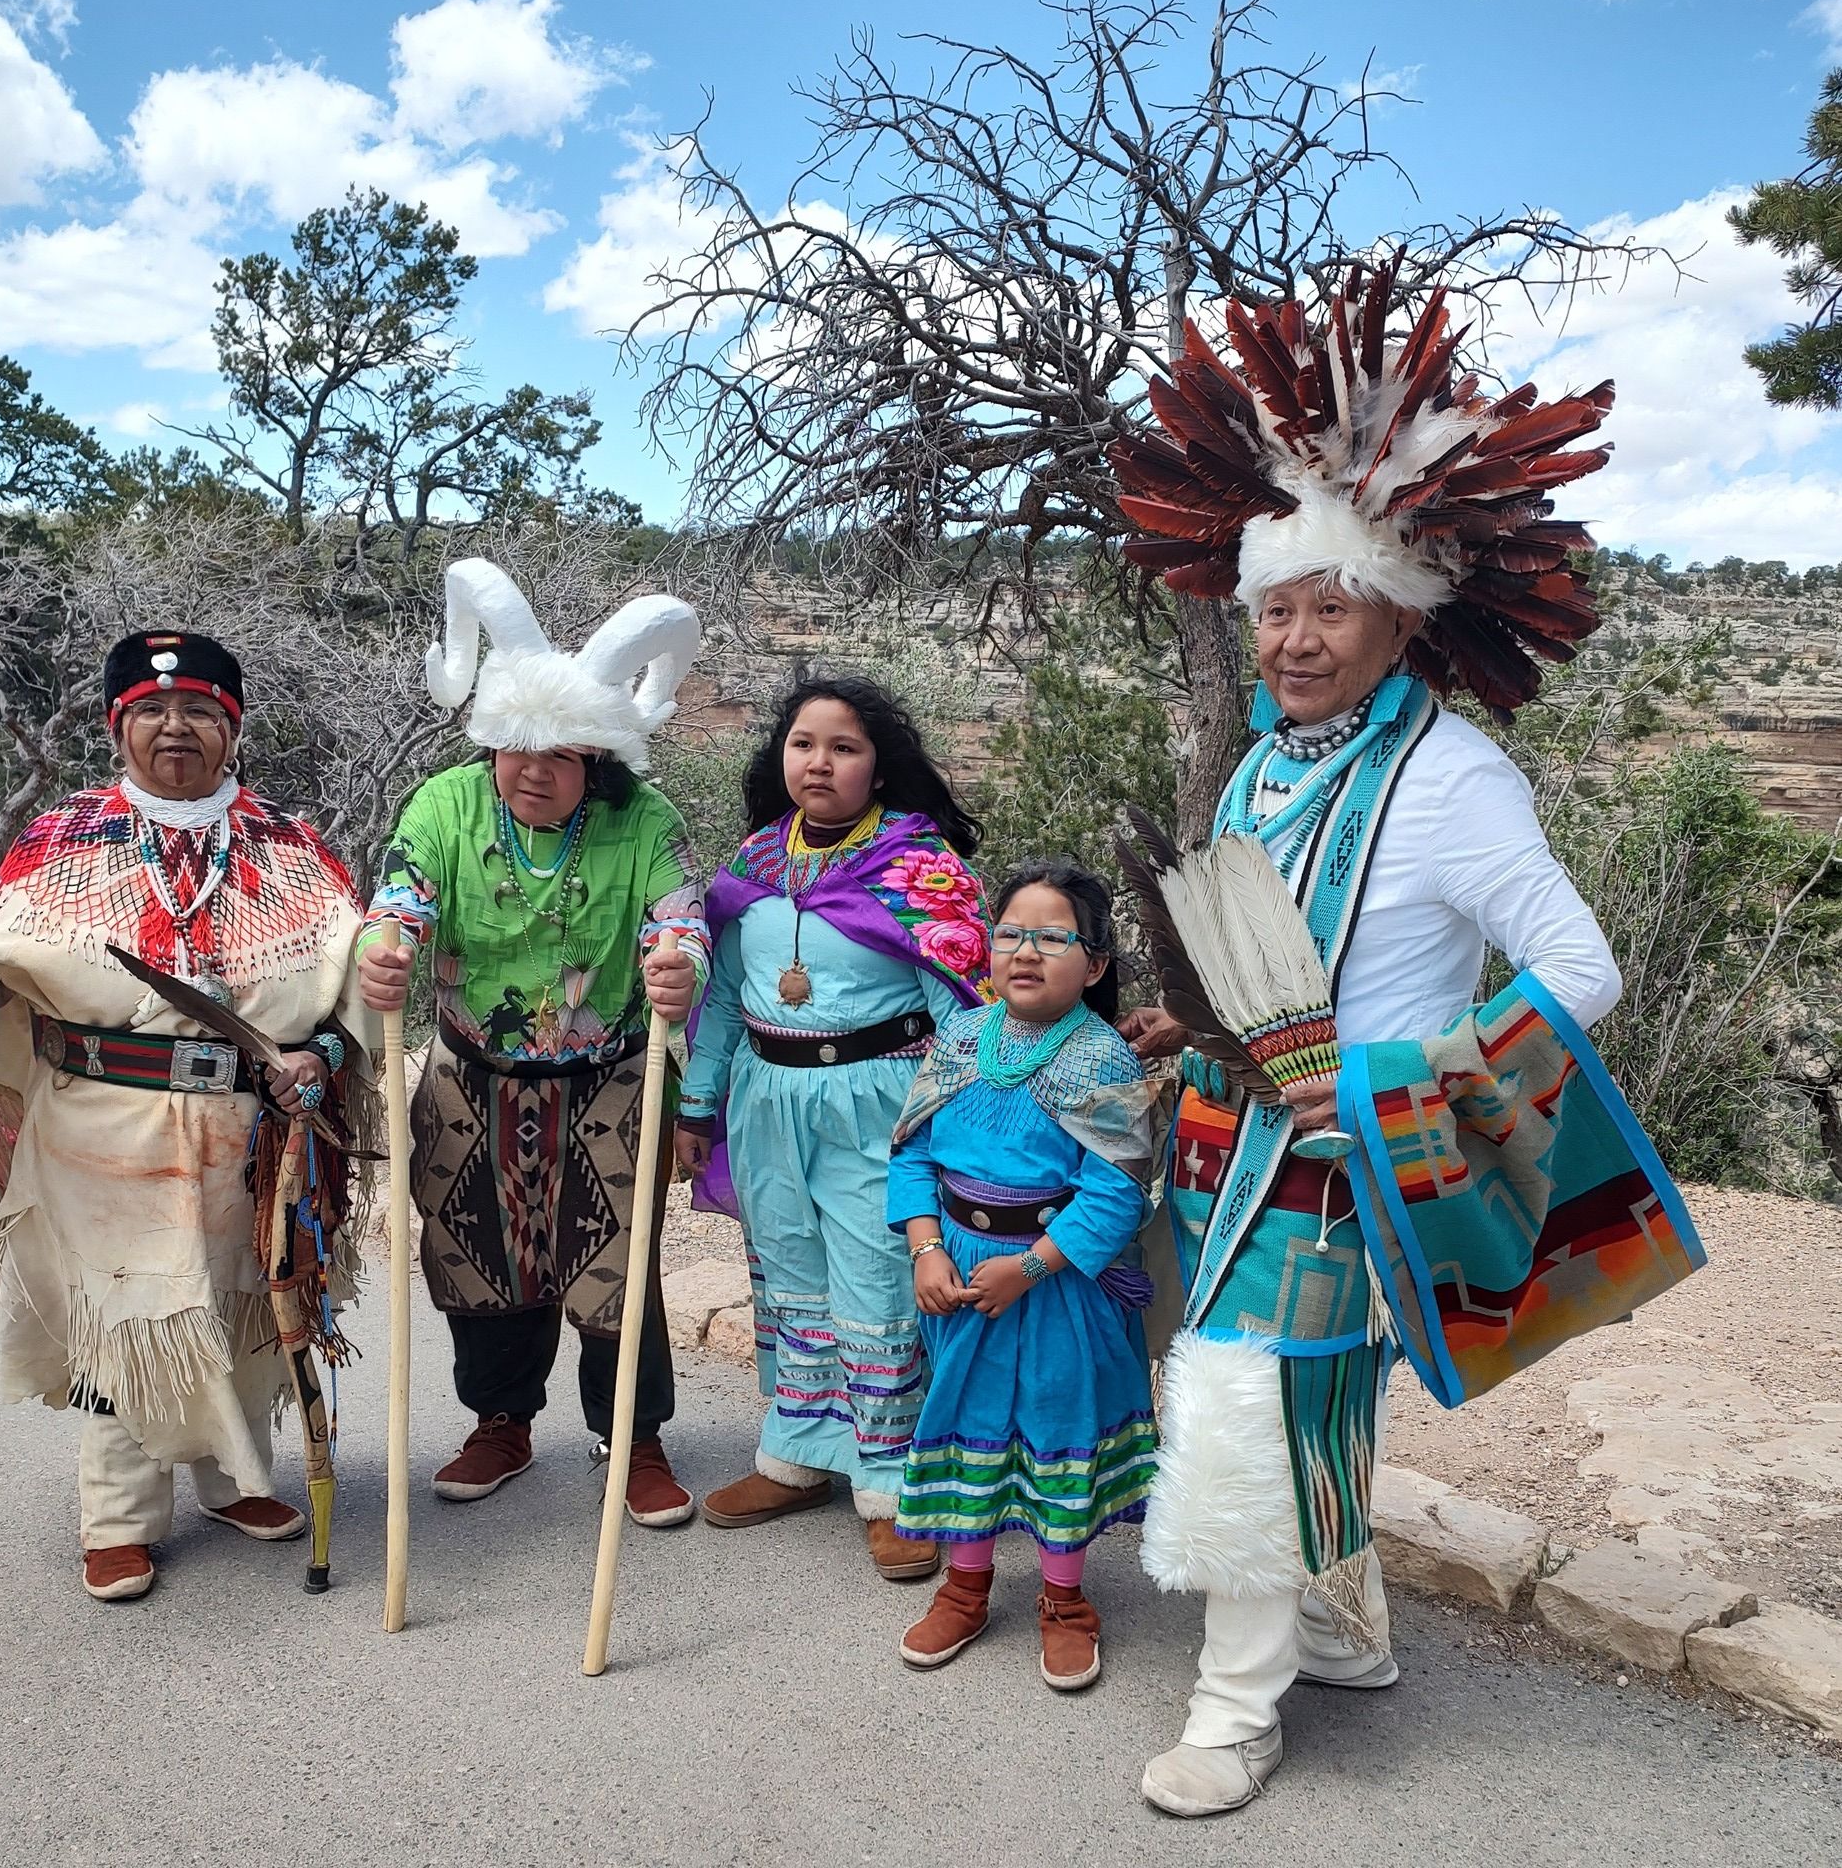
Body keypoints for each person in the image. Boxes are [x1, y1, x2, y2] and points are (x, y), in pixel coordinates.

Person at [1109, 270, 1702, 1815]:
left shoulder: (1451, 782)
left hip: (1337, 1157)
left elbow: (1583, 970)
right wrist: (1200, 1022)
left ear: (1398, 615)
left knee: (1245, 1402)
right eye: (1276, 606)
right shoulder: (1268, 763)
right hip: (1225, 1145)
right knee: (1297, 1396)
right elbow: (1266, 954)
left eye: (1329, 606)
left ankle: (1234, 1714)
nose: (1296, 638)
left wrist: (1385, 1095)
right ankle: (1339, 1625)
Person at [0, 628, 374, 1602]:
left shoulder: (291, 847)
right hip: (97, 1127)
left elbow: (355, 995)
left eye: (200, 712)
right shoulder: (59, 837)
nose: (177, 728)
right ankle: (118, 1517)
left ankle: (229, 1477)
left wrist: (325, 1052)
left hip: (246, 1130)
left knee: (242, 1307)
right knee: (128, 1315)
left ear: (232, 725)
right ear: (117, 724)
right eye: (153, 711)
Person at [358, 561, 707, 1528]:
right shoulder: (444, 805)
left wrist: (678, 959)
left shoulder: (643, 817)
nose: (535, 770)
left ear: (597, 754)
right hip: (474, 1078)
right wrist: (384, 949)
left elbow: (678, 913)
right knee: (478, 1253)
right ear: (490, 742)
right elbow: (402, 894)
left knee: (614, 1266)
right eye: (516, 748)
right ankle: (501, 1421)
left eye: (560, 752)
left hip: (608, 1081)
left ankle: (631, 1437)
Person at [674, 676, 990, 1579]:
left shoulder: (918, 870)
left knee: (877, 1278)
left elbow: (960, 1011)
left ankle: (892, 1482)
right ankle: (801, 1454)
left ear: (877, 768)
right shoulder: (754, 867)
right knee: (789, 1275)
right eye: (804, 743)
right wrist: (699, 1107)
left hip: (878, 1101)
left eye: (844, 747)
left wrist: (951, 1128)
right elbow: (727, 999)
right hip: (767, 1099)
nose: (819, 761)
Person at [887, 859, 1158, 1691]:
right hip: (961, 1273)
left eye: (1053, 937)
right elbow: (912, 1154)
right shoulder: (963, 1039)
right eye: (1011, 934)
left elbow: (1116, 1191)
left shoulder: (1104, 1060)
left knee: (1054, 1421)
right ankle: (966, 1588)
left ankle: (1066, 1601)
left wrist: (1031, 1268)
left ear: (1098, 964)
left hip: (1056, 1281)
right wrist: (927, 1247)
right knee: (965, 1414)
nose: (1026, 953)